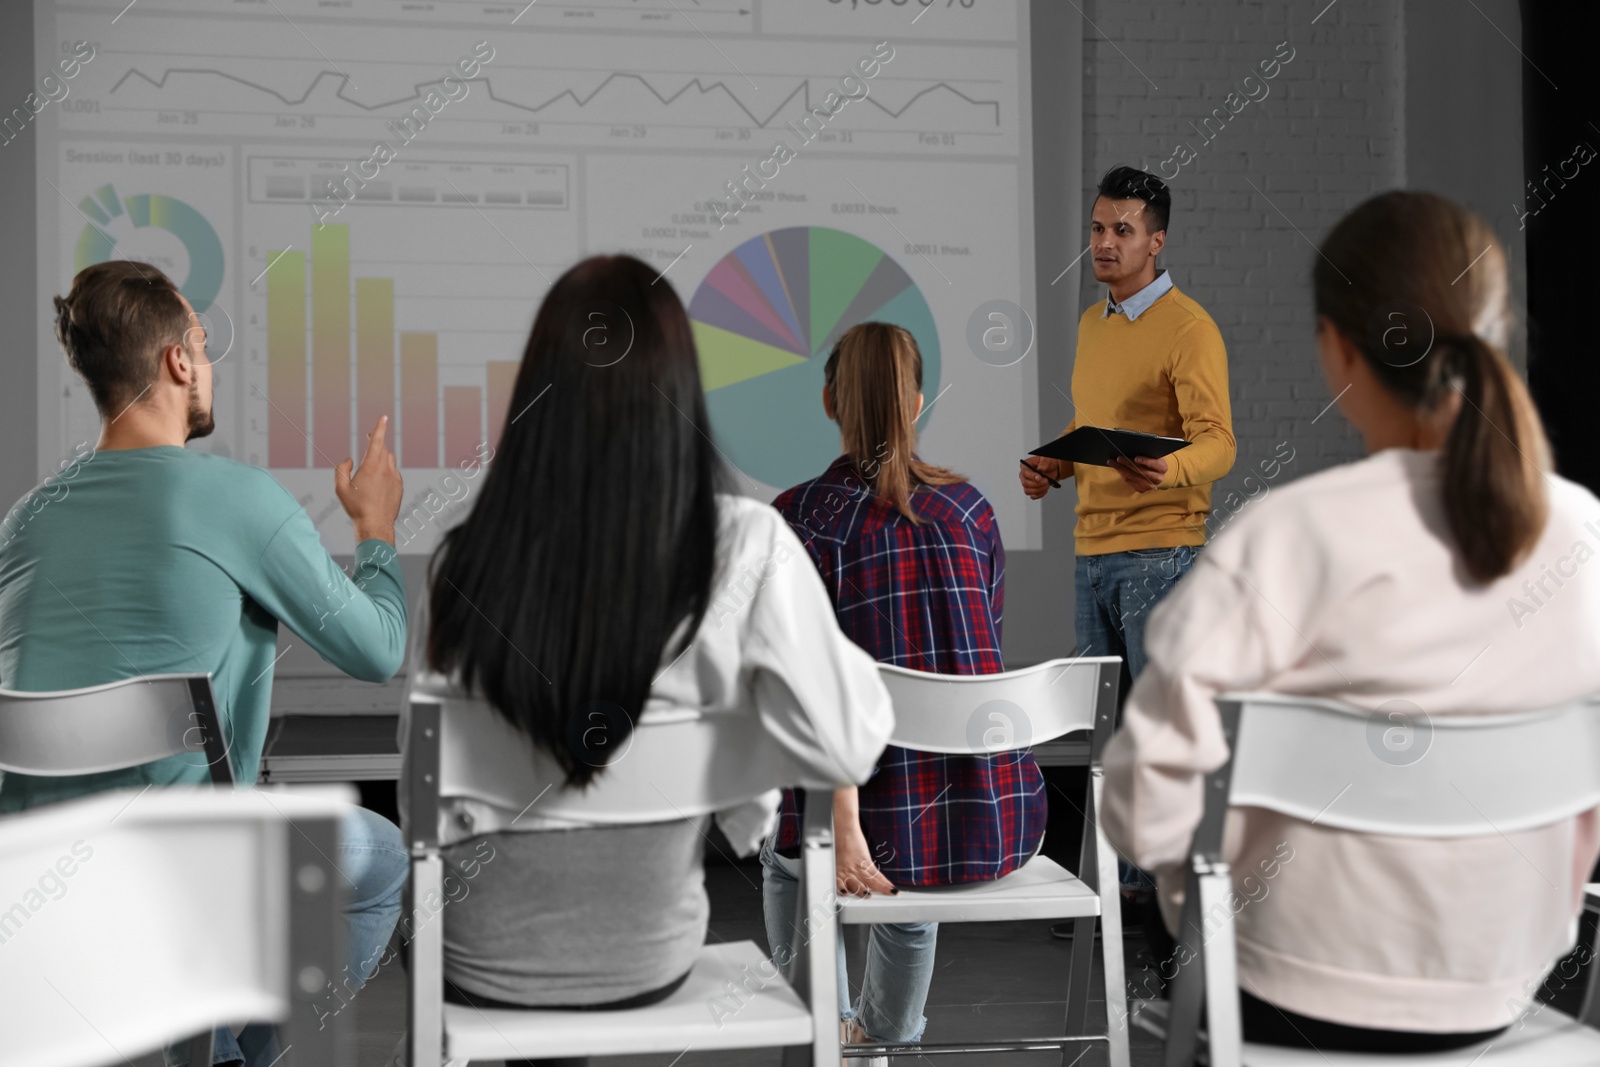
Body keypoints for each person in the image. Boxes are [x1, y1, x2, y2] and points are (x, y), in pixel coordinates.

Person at [1100, 190, 1600, 1051]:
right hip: (1503, 988)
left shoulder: (1285, 537)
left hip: (1282, 988)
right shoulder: (1583, 532)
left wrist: (1199, 886)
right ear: (1493, 330)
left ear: (1337, 350)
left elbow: (1143, 806)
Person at [400, 255, 893, 1067]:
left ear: (538, 392)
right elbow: (845, 744)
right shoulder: (747, 545)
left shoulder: (464, 560)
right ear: (680, 391)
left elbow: (427, 792)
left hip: (476, 963)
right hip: (647, 958)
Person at [0, 261, 410, 1067]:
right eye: (203, 344)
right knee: (383, 853)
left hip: (30, 881)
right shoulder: (237, 498)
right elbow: (380, 649)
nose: (209, 363)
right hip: (180, 882)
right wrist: (377, 529)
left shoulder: (23, 520)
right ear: (178, 363)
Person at [761, 321, 1038, 1050]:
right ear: (916, 404)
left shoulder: (796, 519)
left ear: (829, 401)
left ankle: (826, 1030)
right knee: (911, 848)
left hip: (848, 825)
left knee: (785, 849)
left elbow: (792, 693)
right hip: (984, 823)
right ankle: (885, 1034)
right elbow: (978, 663)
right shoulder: (972, 511)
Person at [1019, 164, 1235, 927]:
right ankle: (1121, 884)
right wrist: (1056, 467)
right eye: (1098, 227)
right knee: (1105, 732)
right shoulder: (1090, 324)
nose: (1104, 243)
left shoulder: (1190, 327)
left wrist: (1170, 466)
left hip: (1161, 553)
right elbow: (1100, 444)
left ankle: (1164, 892)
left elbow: (1220, 444)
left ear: (1156, 241)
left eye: (1122, 231)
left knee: (1158, 732)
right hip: (1092, 552)